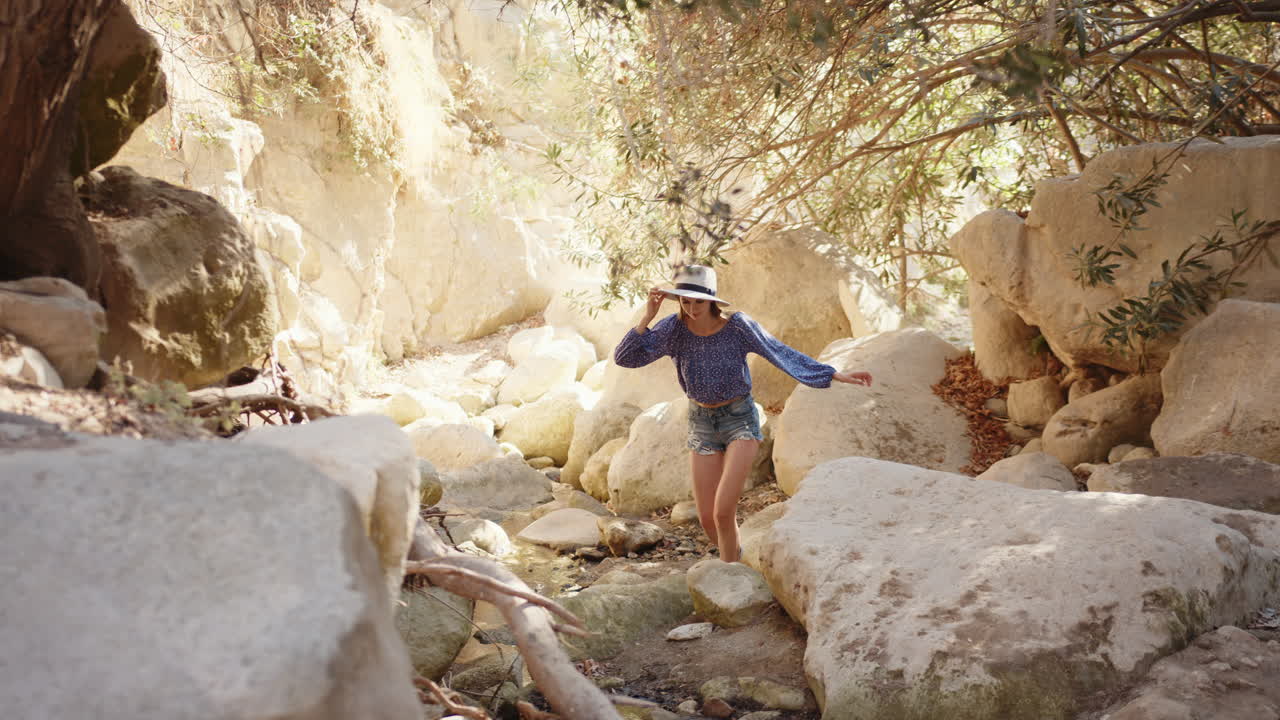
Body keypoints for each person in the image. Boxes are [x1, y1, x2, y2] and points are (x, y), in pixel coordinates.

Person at [613, 264, 872, 563]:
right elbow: (625, 358)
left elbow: (780, 352)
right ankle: (737, 562)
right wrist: (648, 315)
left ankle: (729, 578)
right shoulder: (673, 329)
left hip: (739, 420)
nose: (692, 307)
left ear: (711, 299)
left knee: (724, 511)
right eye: (685, 300)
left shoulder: (738, 327)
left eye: (698, 301)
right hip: (701, 423)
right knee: (708, 518)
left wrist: (833, 374)